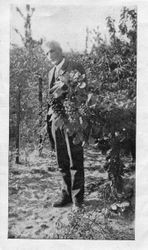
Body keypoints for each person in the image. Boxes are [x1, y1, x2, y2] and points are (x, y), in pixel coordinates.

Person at [44, 40, 86, 209]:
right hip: (56, 122)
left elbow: (83, 92)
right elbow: (50, 101)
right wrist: (49, 124)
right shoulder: (50, 73)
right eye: (46, 54)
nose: (49, 56)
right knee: (61, 160)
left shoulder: (75, 67)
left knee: (75, 159)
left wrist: (67, 90)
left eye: (51, 51)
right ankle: (66, 194)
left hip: (72, 121)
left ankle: (78, 199)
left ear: (60, 50)